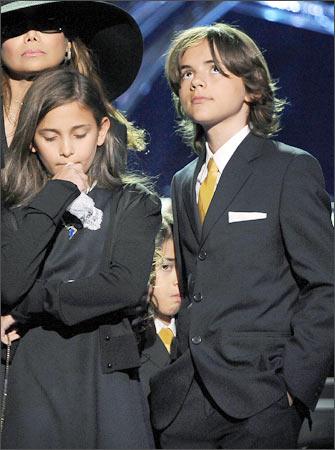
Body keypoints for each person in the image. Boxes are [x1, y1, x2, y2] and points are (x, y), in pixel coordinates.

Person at [149, 23, 334, 449]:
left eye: (214, 69)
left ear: (251, 86)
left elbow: (325, 285)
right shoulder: (182, 181)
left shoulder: (290, 169)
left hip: (260, 397)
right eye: (187, 73)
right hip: (185, 399)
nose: (196, 81)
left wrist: (292, 389)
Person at [0, 68, 161, 449]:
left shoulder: (133, 203)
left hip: (106, 377)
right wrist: (55, 195)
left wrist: (30, 305)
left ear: (102, 131)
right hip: (37, 376)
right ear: (33, 141)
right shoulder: (17, 210)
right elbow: (8, 282)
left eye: (80, 134)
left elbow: (123, 286)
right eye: (50, 137)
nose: (67, 150)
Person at [1, 0, 146, 310]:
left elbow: (98, 236)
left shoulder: (108, 133)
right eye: (15, 26)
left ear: (68, 41)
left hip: (60, 311)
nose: (31, 35)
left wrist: (28, 308)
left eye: (47, 22)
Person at [139, 206, 181, 398]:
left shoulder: (201, 331)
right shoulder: (131, 339)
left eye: (181, 267)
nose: (177, 279)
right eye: (166, 266)